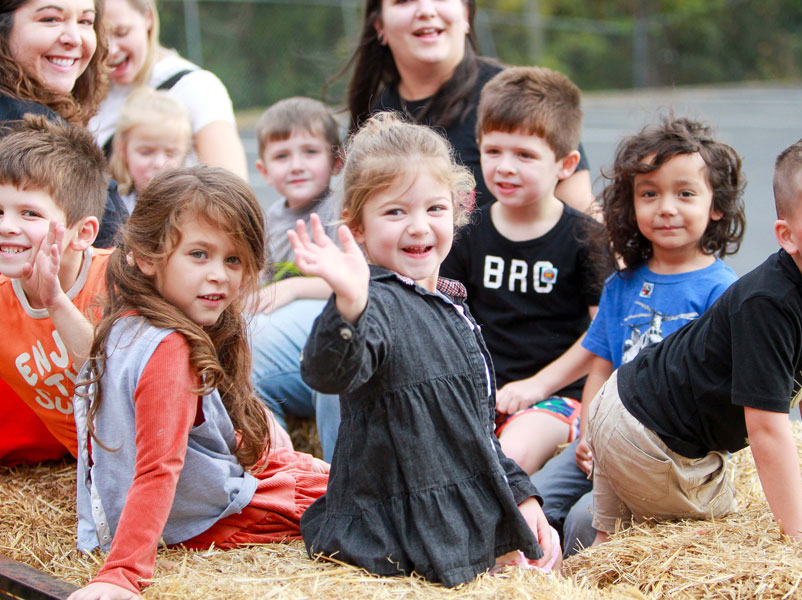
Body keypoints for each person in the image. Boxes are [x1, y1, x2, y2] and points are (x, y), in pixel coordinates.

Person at [293, 112, 559, 587]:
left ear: (457, 212)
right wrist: (348, 306)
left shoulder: (452, 301)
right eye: (395, 212)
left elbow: (473, 430)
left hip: (455, 519)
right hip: (393, 533)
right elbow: (329, 373)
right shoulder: (373, 303)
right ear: (356, 227)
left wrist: (522, 497)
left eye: (434, 209)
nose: (418, 226)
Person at [68, 166, 329, 600]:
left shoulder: (125, 325)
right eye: (198, 255)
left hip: (174, 509)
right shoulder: (168, 350)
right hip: (204, 518)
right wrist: (122, 574)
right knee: (362, 496)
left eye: (233, 259)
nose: (220, 276)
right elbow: (158, 467)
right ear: (146, 255)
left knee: (307, 467)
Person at [585, 132, 802, 545]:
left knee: (608, 547)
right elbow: (766, 429)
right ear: (788, 236)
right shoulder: (771, 304)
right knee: (728, 527)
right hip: (648, 435)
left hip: (627, 400)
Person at [530, 116, 745, 557]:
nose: (666, 207)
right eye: (649, 194)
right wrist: (588, 433)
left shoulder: (724, 293)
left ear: (716, 204)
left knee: (582, 521)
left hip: (664, 459)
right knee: (531, 500)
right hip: (602, 442)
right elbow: (602, 366)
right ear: (631, 204)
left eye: (685, 193)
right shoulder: (621, 286)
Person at [0, 0, 125, 467]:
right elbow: (117, 244)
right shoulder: (23, 132)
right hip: (3, 397)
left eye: (85, 21)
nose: (74, 37)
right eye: (50, 18)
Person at [440, 67, 600, 476]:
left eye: (525, 155)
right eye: (493, 151)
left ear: (566, 163)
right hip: (480, 397)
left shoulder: (587, 238)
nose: (505, 167)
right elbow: (443, 317)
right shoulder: (463, 232)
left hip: (556, 400)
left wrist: (538, 386)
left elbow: (604, 334)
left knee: (505, 462)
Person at [0, 115, 111, 456]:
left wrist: (55, 300)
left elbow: (104, 380)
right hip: (101, 470)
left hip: (170, 443)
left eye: (29, 214)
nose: (6, 226)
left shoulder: (117, 279)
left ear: (82, 233)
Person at [341, 0, 593, 211]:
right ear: (379, 26)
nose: (426, 10)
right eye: (404, 0)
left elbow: (584, 220)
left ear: (465, 14)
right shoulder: (374, 116)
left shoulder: (520, 97)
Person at [249, 97, 343, 460]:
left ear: (336, 161)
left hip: (328, 339)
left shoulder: (337, 213)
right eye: (282, 156)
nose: (297, 165)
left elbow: (349, 281)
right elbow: (259, 283)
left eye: (309, 152)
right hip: (290, 355)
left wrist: (291, 288)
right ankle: (279, 462)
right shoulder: (270, 220)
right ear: (264, 169)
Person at [90, 0, 247, 179]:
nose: (111, 49)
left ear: (148, 17)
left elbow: (232, 192)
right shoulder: (82, 89)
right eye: (98, 35)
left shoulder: (195, 87)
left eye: (122, 32)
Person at [109, 87, 191, 213]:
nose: (158, 163)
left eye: (171, 153)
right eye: (146, 152)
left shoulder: (191, 209)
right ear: (123, 150)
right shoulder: (112, 208)